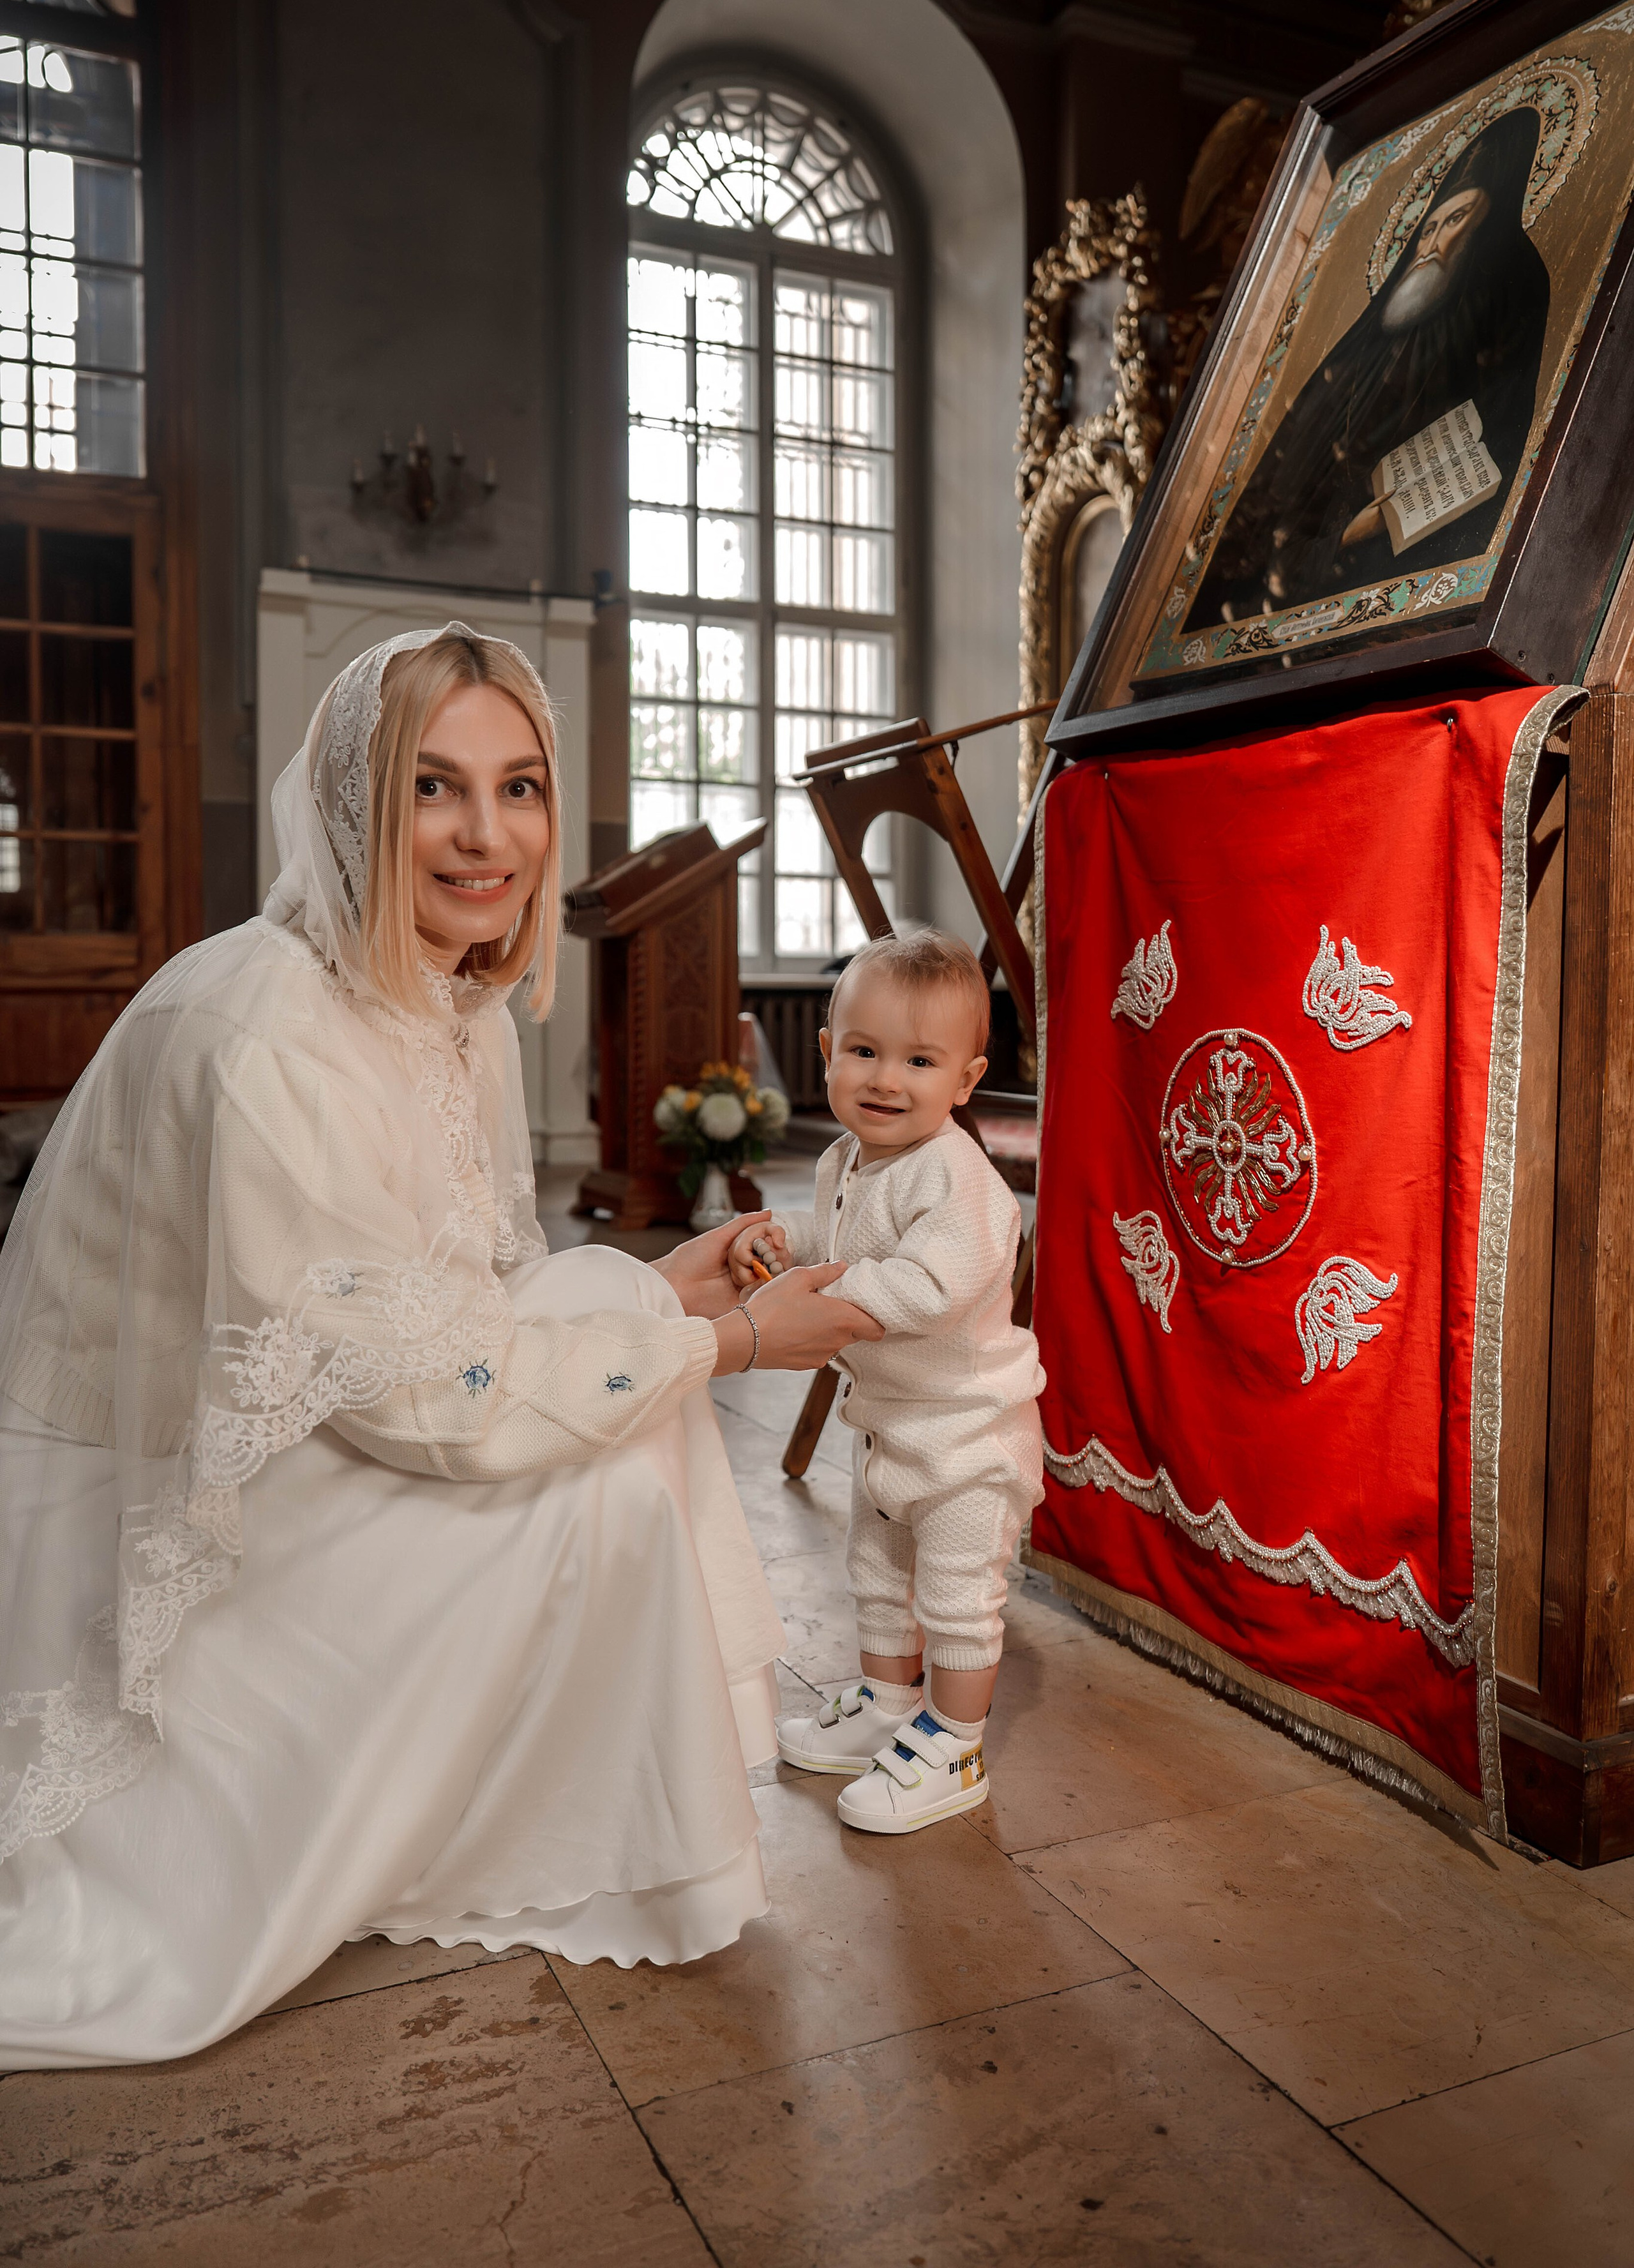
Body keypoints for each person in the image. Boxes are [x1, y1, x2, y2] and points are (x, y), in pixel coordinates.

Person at [0, 624, 880, 2070]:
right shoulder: (265, 1028)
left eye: (519, 786)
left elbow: (469, 1289)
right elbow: (424, 1392)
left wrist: (660, 1291)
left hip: (324, 1408)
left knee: (600, 1296)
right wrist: (724, 1343)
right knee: (609, 1482)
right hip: (165, 1492)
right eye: (433, 786)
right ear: (352, 802)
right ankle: (568, 1827)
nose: (488, 835)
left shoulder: (448, 993)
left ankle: (571, 1792)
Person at [731, 931, 1045, 1833]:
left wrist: (819, 1299)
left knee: (955, 1597)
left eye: (919, 1061)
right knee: (876, 1574)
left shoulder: (958, 1180)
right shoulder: (846, 1158)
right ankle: (887, 1704)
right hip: (889, 1428)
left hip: (966, 1438)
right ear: (826, 1052)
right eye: (864, 1051)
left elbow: (929, 1287)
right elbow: (841, 1239)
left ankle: (955, 1742)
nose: (886, 1080)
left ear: (966, 1079)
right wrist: (785, 1241)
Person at [1188, 105, 1550, 629]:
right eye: (1427, 229)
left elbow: (1499, 435)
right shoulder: (1378, 329)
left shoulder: (1506, 293)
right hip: (1298, 560)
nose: (1431, 245)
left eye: (1456, 221)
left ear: (1487, 228)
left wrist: (1364, 528)